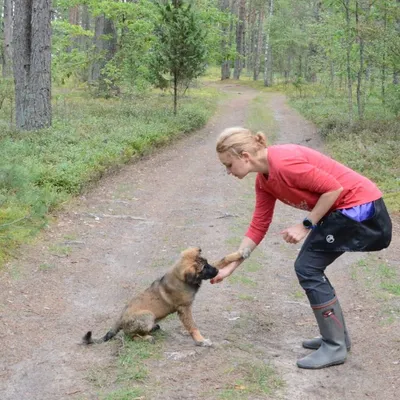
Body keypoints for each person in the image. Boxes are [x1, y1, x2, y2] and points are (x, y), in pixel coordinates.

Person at [212, 127, 392, 369]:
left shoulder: (284, 163)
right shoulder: (264, 181)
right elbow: (258, 224)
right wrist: (233, 264)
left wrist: (306, 224)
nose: (227, 171)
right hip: (345, 210)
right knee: (309, 266)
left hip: (361, 209)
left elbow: (334, 189)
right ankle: (337, 338)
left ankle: (335, 345)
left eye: (228, 164)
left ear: (245, 156)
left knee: (307, 267)